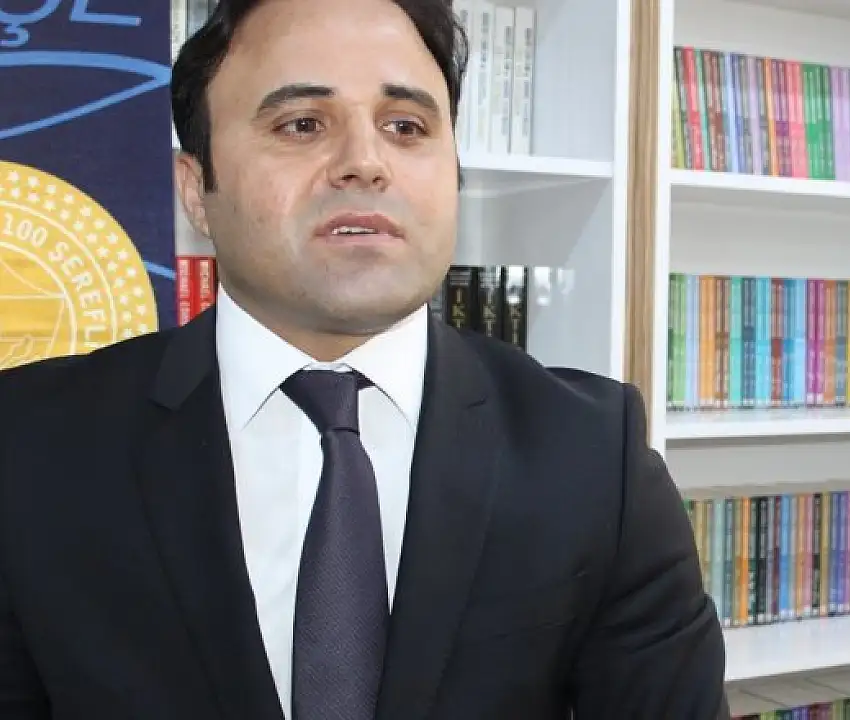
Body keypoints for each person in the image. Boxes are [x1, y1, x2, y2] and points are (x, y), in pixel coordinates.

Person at [0, 0, 730, 716]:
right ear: (197, 190)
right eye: (302, 124)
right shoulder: (29, 447)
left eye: (406, 126)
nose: (365, 163)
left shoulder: (595, 456)